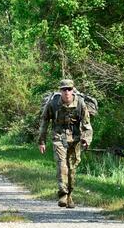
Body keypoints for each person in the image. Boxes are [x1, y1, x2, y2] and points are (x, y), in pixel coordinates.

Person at [38, 79, 93, 208]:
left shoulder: (80, 104)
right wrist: (42, 141)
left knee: (72, 168)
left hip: (75, 139)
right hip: (59, 138)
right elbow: (44, 122)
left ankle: (70, 195)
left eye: (69, 89)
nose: (67, 92)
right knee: (62, 166)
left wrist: (86, 139)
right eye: (64, 89)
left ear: (73, 90)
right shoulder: (53, 104)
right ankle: (63, 195)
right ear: (60, 91)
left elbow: (87, 125)